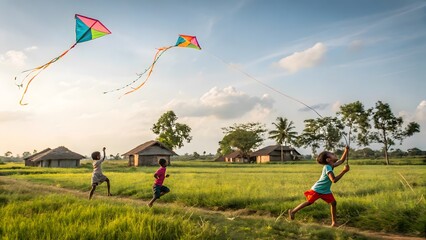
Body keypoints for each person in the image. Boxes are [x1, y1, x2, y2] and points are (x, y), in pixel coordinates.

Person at [289, 146, 350, 227]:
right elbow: (334, 180)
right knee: (309, 202)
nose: (333, 154)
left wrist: (346, 151)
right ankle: (292, 211)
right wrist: (344, 171)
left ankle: (334, 222)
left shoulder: (331, 165)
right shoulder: (327, 167)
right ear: (328, 160)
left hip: (325, 190)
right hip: (317, 189)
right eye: (331, 154)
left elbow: (341, 161)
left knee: (333, 203)